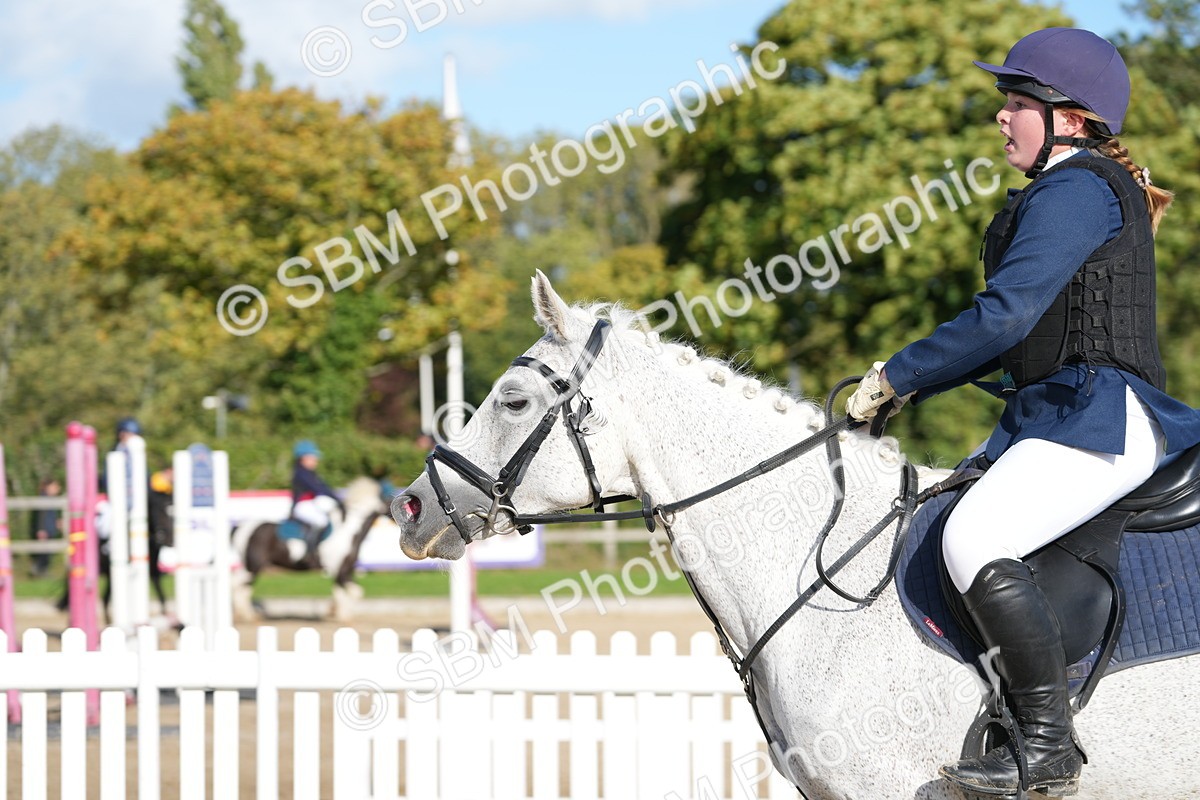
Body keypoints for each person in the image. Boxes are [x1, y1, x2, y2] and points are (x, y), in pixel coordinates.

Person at [845, 28, 1200, 797]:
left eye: (1016, 104)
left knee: (975, 536)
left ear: (1068, 118)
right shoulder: (1071, 187)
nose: (1001, 118)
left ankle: (1046, 745)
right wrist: (904, 391)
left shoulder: (1077, 188)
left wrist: (891, 375)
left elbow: (1002, 318)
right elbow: (1010, 341)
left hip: (1101, 416)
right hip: (1060, 415)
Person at [290, 440, 342, 565]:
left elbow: (325, 488)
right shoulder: (301, 473)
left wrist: (337, 498)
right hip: (302, 506)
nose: (315, 460)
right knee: (321, 521)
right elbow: (317, 489)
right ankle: (310, 552)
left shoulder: (310, 473)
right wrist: (336, 499)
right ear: (303, 458)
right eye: (312, 457)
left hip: (310, 504)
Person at [29, 477, 62, 578]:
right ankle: (38, 570)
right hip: (45, 530)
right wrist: (41, 529)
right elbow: (41, 516)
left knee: (47, 553)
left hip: (49, 528)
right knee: (44, 553)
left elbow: (50, 515)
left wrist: (56, 522)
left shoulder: (49, 499)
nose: (57, 489)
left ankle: (42, 571)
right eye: (54, 486)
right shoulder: (43, 498)